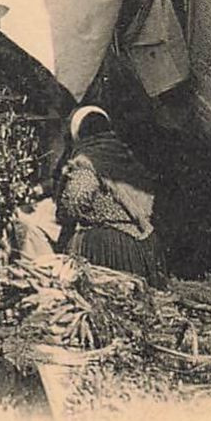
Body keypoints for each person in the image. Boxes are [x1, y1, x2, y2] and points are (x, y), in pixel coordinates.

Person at [55, 106, 166, 286]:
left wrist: (64, 217)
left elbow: (75, 201)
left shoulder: (88, 159)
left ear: (78, 134)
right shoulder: (124, 156)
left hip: (109, 248)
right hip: (141, 246)